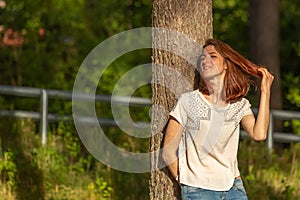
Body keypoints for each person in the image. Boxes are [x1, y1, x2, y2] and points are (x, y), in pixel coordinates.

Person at [162, 38, 274, 200]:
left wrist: (265, 91)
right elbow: (168, 151)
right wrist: (186, 182)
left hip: (233, 188)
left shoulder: (239, 104)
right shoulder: (188, 101)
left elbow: (259, 134)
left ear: (226, 64)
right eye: (202, 58)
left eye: (213, 56)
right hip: (198, 190)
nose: (206, 61)